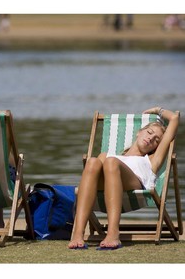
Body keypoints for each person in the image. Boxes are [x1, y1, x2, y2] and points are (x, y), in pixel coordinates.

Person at [68, 107, 179, 250]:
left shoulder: (152, 160)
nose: (151, 138)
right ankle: (78, 234)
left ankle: (113, 233)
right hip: (106, 186)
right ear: (139, 132)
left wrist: (157, 110)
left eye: (156, 140)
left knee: (111, 162)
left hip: (134, 185)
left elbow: (174, 119)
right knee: (93, 161)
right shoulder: (108, 156)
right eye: (149, 132)